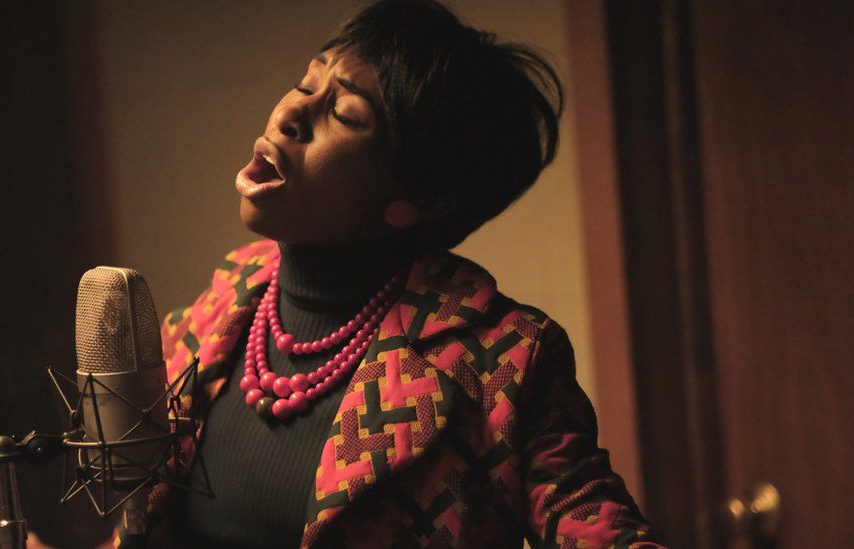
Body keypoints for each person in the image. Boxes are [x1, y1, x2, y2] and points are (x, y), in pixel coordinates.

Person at [110, 0, 665, 547]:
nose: (289, 115)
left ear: (419, 198)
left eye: (345, 114)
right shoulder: (217, 310)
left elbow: (592, 525)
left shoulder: (505, 361)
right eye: (306, 84)